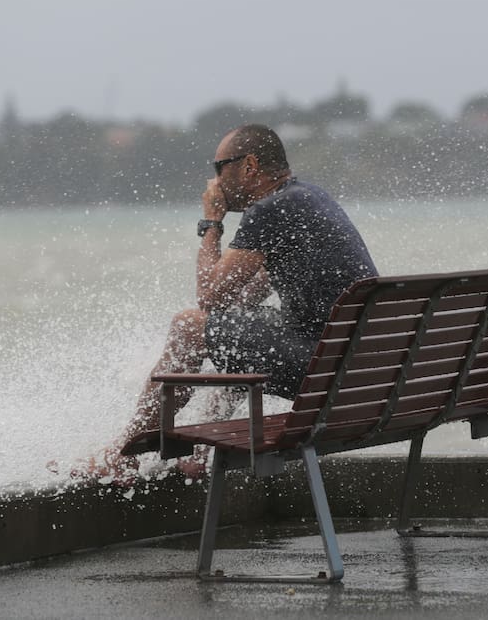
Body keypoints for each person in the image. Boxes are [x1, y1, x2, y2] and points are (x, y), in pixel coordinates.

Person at [84, 124, 377, 481]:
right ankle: (208, 453)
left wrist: (211, 221)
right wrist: (223, 316)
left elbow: (208, 295)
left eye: (219, 167)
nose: (215, 180)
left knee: (188, 326)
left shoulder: (270, 209)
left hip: (324, 373)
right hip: (358, 375)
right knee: (239, 329)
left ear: (249, 165)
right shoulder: (309, 197)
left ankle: (124, 455)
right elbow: (237, 303)